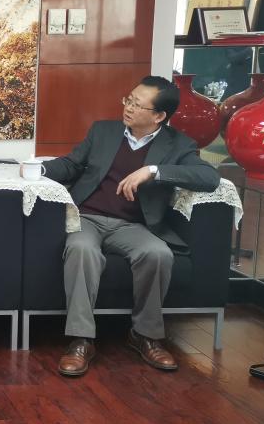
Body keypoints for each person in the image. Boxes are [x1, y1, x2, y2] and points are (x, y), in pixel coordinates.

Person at [39, 75, 220, 377]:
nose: (128, 107)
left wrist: (153, 170)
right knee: (81, 249)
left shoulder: (178, 145)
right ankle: (81, 339)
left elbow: (209, 178)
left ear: (159, 116)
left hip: (133, 225)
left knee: (158, 253)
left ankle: (145, 335)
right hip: (87, 218)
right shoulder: (104, 131)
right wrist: (40, 169)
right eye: (129, 100)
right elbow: (72, 164)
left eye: (138, 104)